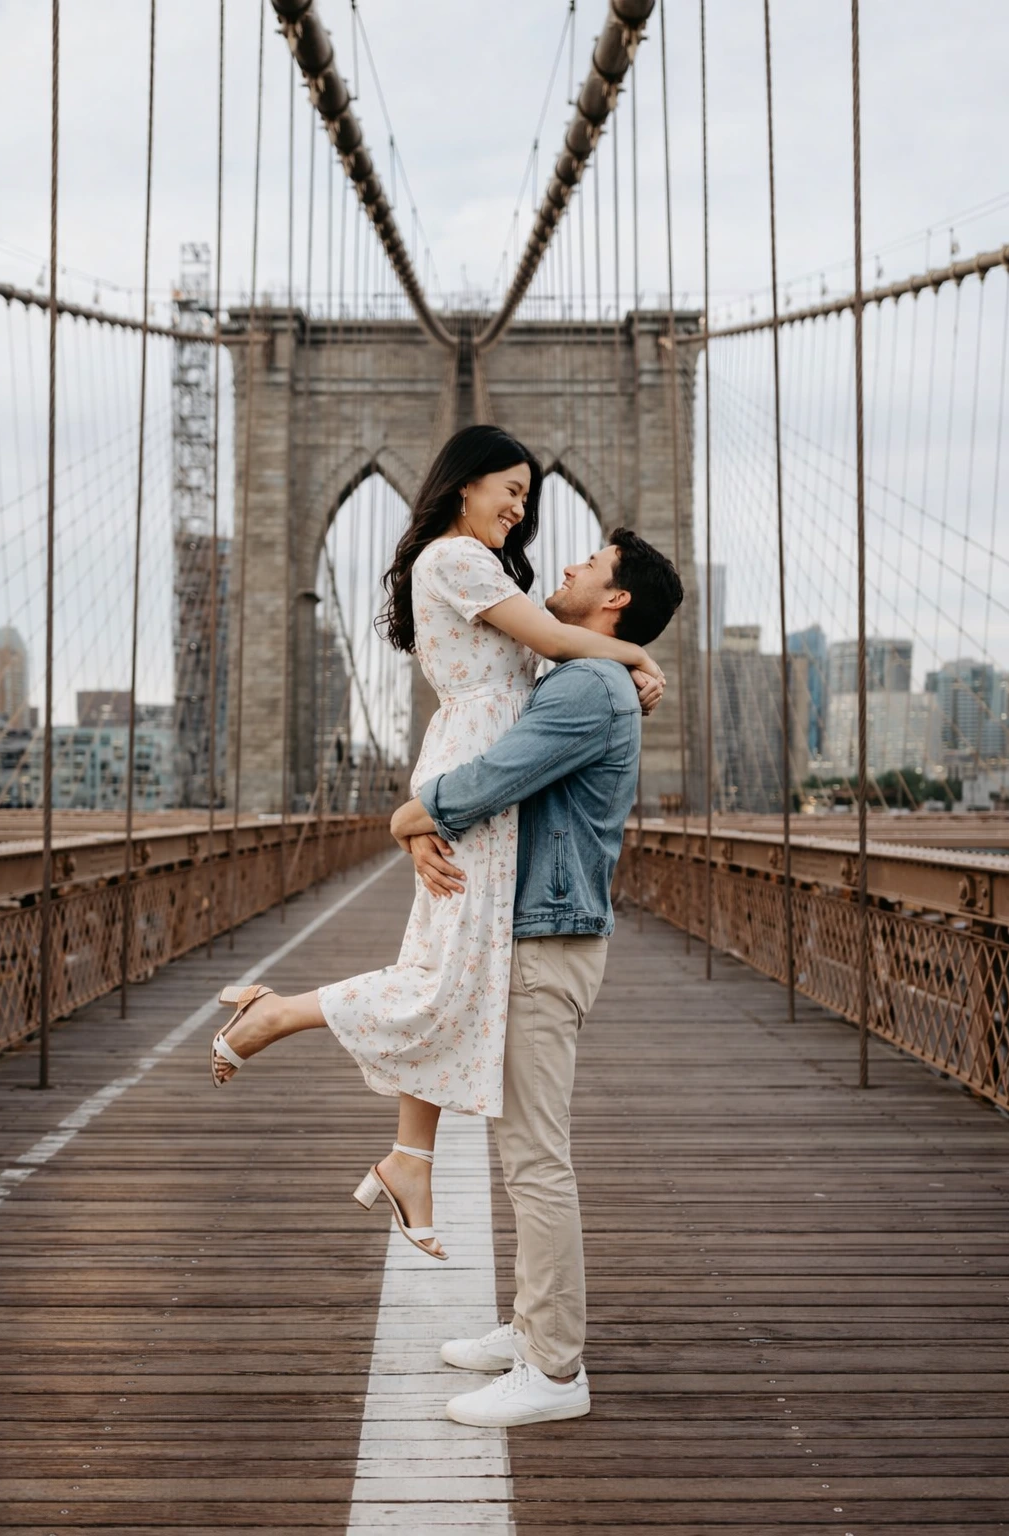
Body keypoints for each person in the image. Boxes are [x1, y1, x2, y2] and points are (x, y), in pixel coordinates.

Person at [209, 425, 665, 1264]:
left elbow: (551, 655)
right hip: (480, 768)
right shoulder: (458, 561)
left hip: (477, 766)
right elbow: (560, 643)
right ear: (465, 486)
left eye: (529, 497)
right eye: (511, 490)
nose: (522, 510)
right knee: (451, 975)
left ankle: (409, 1161)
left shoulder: (476, 565)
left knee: (447, 965)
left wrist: (428, 814)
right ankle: (276, 1016)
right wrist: (636, 651)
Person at [388, 524, 683, 1427]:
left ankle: (555, 1371)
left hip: (546, 943)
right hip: (541, 932)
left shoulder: (587, 688)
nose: (562, 564)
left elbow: (492, 780)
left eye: (587, 563)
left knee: (535, 1161)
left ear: (616, 597)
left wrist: (412, 813)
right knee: (527, 1153)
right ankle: (530, 1327)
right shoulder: (586, 675)